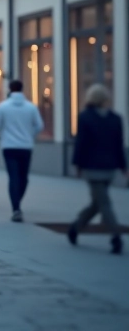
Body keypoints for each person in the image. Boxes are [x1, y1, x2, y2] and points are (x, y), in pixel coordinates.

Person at [68, 84, 127, 255]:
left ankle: (115, 236)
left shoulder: (85, 117)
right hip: (109, 167)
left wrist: (77, 165)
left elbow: (81, 143)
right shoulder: (115, 118)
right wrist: (123, 166)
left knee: (101, 203)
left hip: (92, 167)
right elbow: (119, 145)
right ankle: (76, 227)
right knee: (102, 201)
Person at [0, 79, 44, 222]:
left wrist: (5, 133)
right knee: (24, 178)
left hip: (9, 146)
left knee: (13, 177)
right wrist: (29, 134)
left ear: (9, 89)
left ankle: (16, 207)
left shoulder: (3, 107)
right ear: (22, 89)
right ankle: (17, 203)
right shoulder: (31, 107)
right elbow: (39, 125)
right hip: (26, 146)